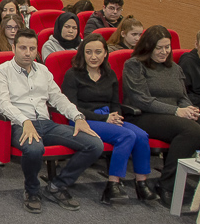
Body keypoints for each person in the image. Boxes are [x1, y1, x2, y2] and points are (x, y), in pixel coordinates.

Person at [0, 29, 104, 213]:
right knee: (34, 148)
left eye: (32, 48)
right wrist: (25, 121)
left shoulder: (43, 70)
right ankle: (32, 190)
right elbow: (3, 104)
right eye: (23, 48)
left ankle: (57, 185)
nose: (27, 53)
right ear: (13, 48)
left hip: (46, 124)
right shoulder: (2, 71)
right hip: (18, 125)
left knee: (95, 144)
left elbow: (58, 98)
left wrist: (78, 117)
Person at [61, 34, 156, 204]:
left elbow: (114, 103)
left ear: (105, 53)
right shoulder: (72, 74)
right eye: (89, 52)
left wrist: (116, 116)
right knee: (127, 135)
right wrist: (105, 118)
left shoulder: (109, 74)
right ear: (82, 53)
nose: (93, 56)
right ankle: (113, 185)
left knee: (141, 136)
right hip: (82, 119)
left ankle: (141, 183)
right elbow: (71, 107)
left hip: (107, 118)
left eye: (98, 52)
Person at [122, 25, 200, 206]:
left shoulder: (174, 68)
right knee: (191, 130)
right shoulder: (134, 65)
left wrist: (189, 109)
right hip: (143, 115)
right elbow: (141, 100)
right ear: (148, 47)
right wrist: (176, 111)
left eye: (167, 47)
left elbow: (182, 97)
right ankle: (167, 184)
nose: (164, 52)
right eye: (159, 48)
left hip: (173, 115)